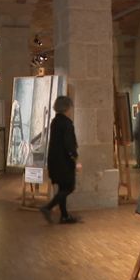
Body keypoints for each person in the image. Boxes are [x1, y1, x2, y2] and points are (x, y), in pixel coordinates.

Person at [40, 96, 82, 224]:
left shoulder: (55, 121)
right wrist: (75, 158)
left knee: (62, 187)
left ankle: (64, 216)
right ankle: (48, 207)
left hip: (54, 161)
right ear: (66, 108)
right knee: (69, 187)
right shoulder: (67, 123)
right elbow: (69, 144)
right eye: (70, 107)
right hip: (64, 162)